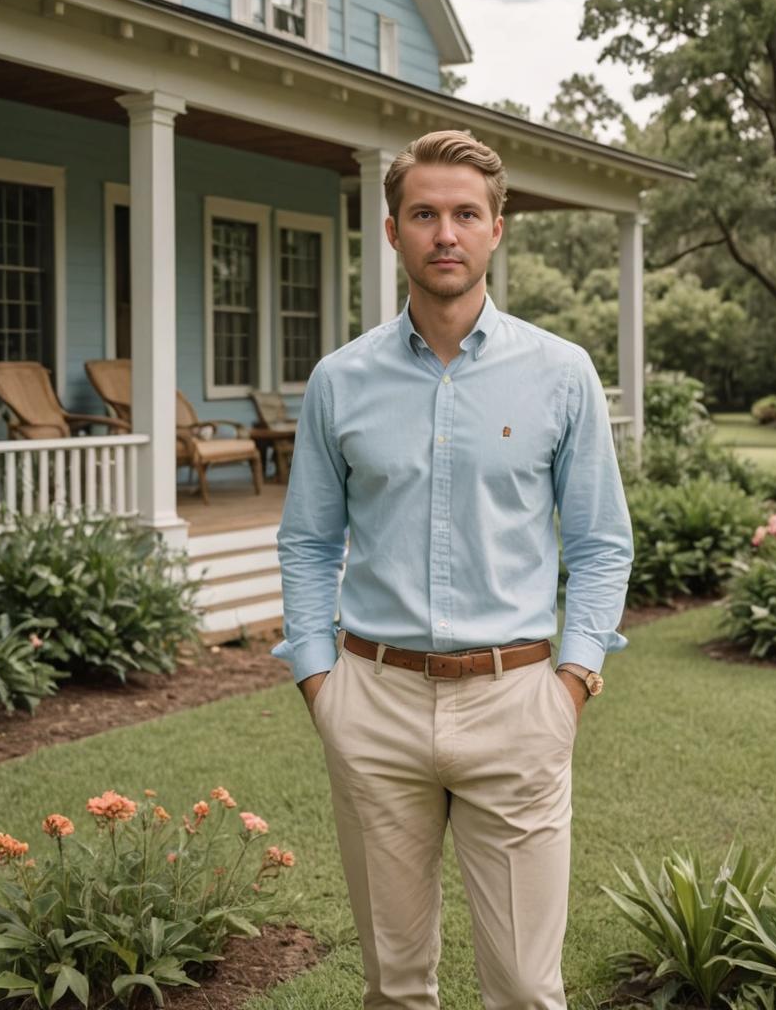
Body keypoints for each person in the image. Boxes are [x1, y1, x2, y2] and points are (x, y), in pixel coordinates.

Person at [276, 129, 633, 1010]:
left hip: (517, 705)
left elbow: (599, 541)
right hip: (374, 702)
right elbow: (308, 541)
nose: (446, 233)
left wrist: (575, 679)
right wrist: (320, 681)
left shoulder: (562, 374)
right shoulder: (339, 381)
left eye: (465, 214)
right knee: (395, 988)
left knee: (523, 987)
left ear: (497, 230)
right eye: (425, 214)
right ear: (393, 231)